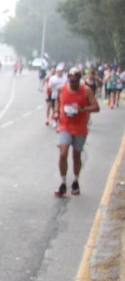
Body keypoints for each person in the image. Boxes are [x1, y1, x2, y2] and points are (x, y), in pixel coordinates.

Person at [53, 67, 100, 197]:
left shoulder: (86, 91)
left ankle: (75, 181)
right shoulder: (62, 89)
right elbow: (57, 101)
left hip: (79, 127)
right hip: (64, 126)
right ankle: (63, 183)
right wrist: (56, 112)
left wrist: (82, 108)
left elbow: (96, 107)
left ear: (79, 80)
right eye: (71, 80)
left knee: (76, 156)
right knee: (63, 154)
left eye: (75, 81)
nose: (73, 83)